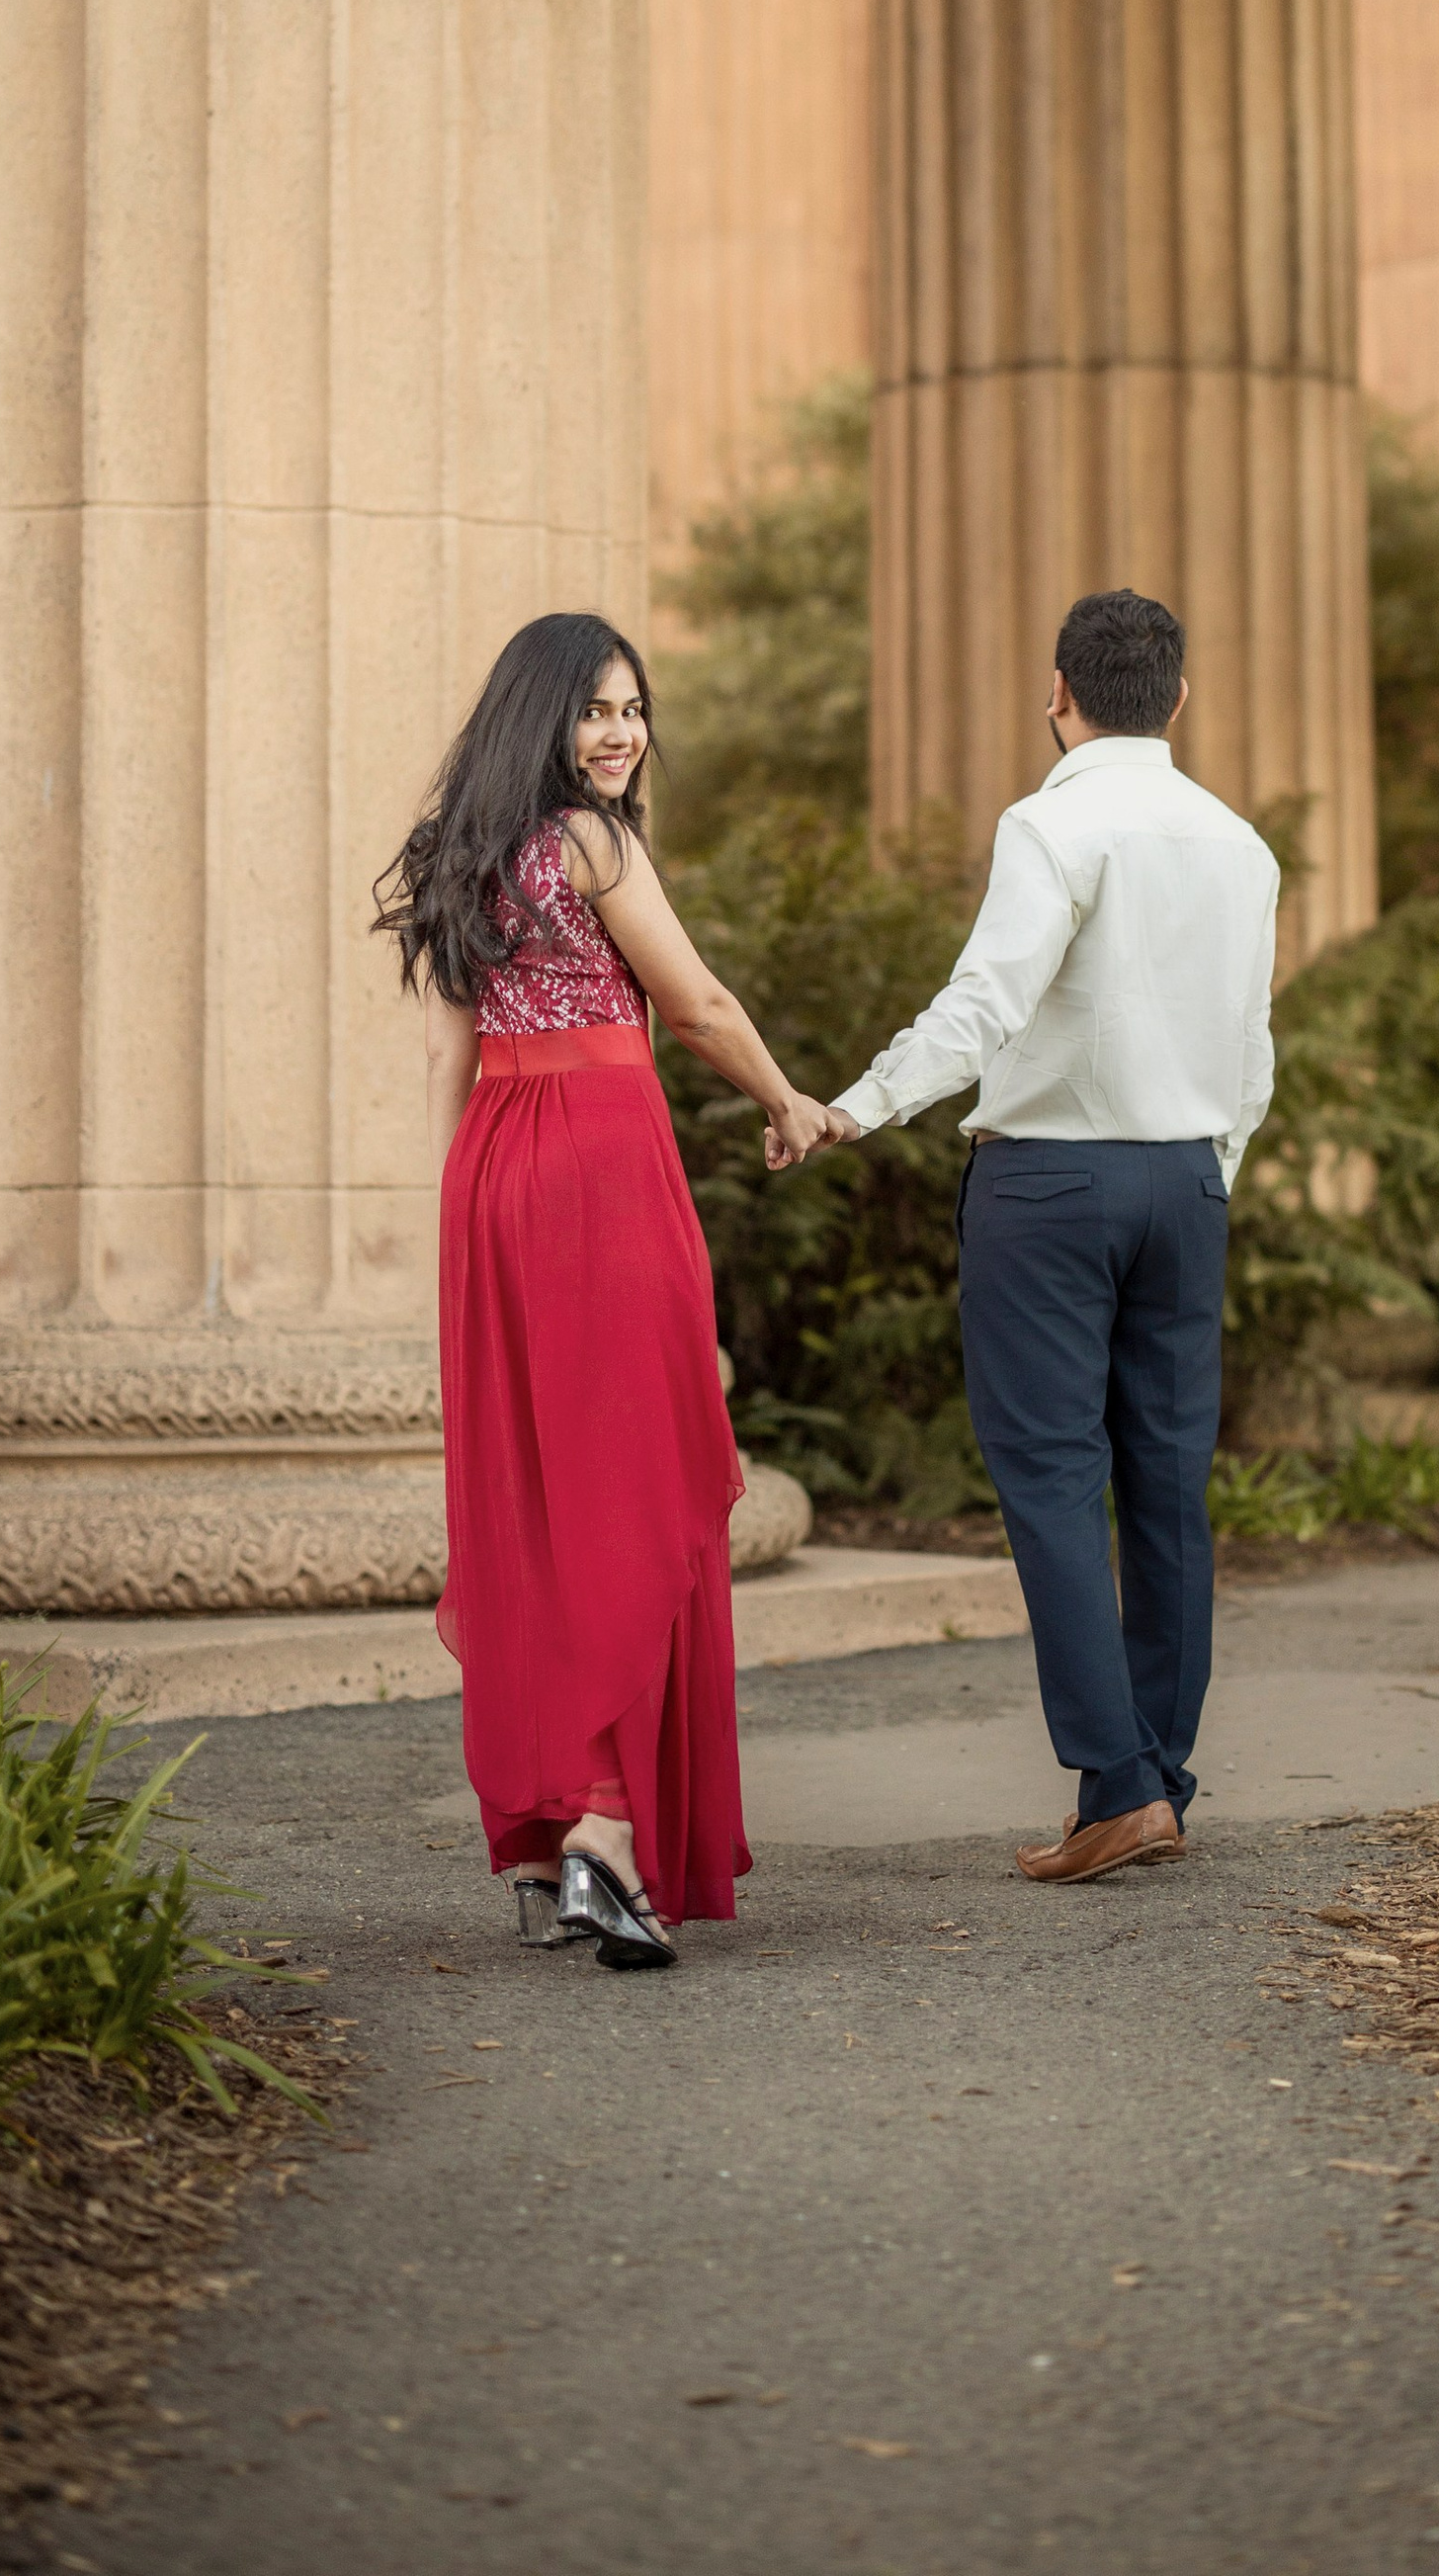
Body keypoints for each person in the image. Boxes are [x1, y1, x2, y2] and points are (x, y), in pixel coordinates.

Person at [375, 614, 834, 1966]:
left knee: (540, 1495)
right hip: (599, 1169)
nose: (621, 733)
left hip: (497, 1179)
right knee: (630, 1486)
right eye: (594, 713)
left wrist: (460, 1214)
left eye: (633, 708)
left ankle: (546, 1833)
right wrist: (789, 1100)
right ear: (545, 724)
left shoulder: (469, 855)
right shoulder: (593, 841)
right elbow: (691, 1003)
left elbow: (455, 1062)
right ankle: (607, 1830)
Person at [805, 588, 1279, 1884]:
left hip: (1052, 1192)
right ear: (1175, 701)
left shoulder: (1052, 822)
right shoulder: (1241, 848)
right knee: (1169, 1485)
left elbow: (986, 1005)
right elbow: (1252, 1052)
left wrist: (860, 1103)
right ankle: (1158, 1782)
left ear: (1057, 695)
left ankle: (1119, 1787)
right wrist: (1211, 1169)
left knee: (1058, 1478)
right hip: (1185, 1185)